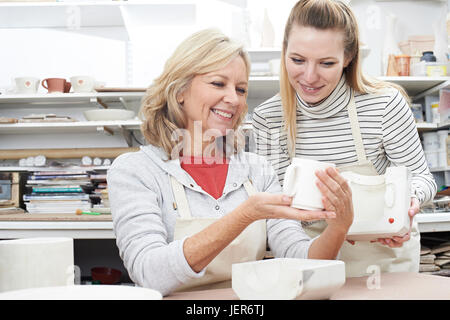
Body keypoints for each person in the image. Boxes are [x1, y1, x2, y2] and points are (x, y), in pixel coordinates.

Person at [107, 28, 354, 296]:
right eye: (218, 84)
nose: (233, 99)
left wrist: (338, 227)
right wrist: (244, 215)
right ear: (180, 90)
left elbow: (301, 260)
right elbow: (149, 273)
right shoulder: (136, 171)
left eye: (241, 89)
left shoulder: (257, 171)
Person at [252, 0, 437, 277]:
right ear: (284, 52)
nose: (309, 77)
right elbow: (281, 212)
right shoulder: (269, 119)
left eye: (326, 63)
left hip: (384, 261)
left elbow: (421, 178)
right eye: (297, 60)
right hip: (312, 263)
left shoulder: (384, 104)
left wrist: (405, 209)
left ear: (348, 57)